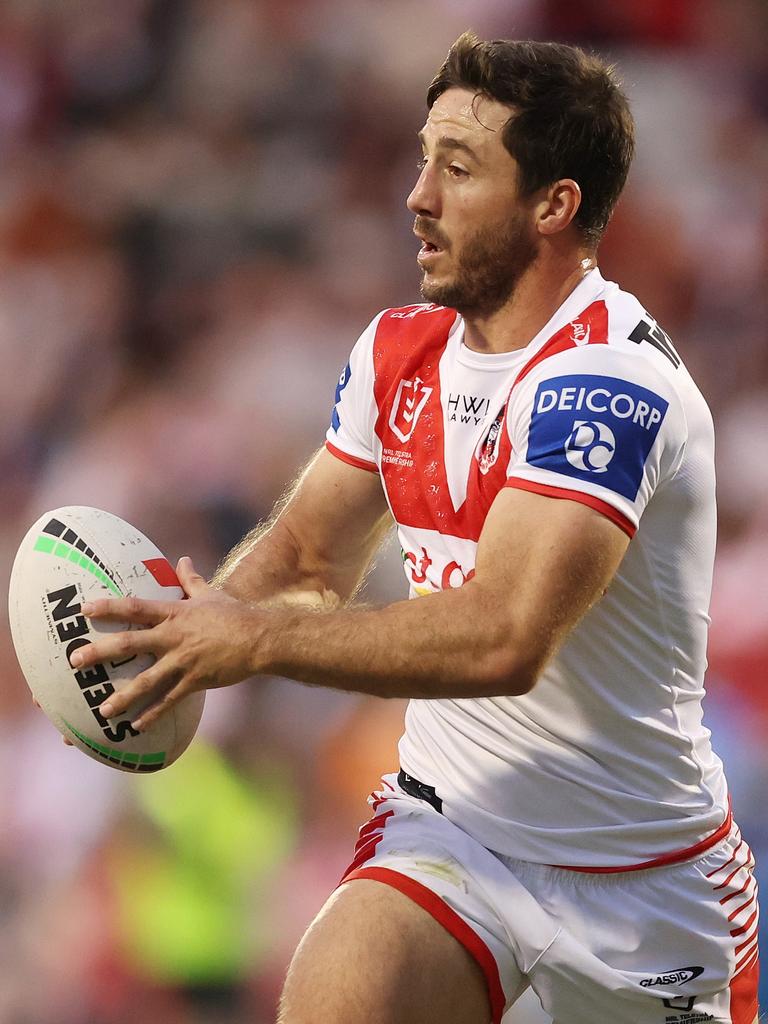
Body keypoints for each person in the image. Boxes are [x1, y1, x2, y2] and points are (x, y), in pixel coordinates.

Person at [67, 32, 759, 1024]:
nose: (417, 194)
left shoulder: (611, 378)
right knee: (339, 992)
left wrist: (252, 639)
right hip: (456, 828)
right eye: (423, 157)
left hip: (642, 881)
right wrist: (181, 634)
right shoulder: (400, 352)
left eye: (460, 168)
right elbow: (307, 558)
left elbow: (505, 635)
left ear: (554, 205)